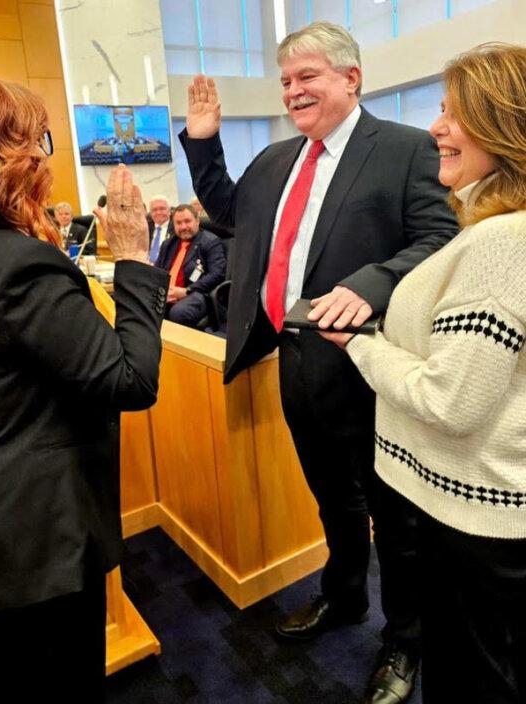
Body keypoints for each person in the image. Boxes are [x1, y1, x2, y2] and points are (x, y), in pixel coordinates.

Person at [180, 21, 457, 703]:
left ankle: (405, 639)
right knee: (331, 499)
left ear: (350, 78)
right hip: (295, 363)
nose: (293, 90)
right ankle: (345, 598)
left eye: (308, 77)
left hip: (370, 366)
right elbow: (228, 211)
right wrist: (205, 142)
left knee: (396, 521)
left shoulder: (404, 150)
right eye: (286, 81)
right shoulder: (277, 159)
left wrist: (368, 286)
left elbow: (440, 237)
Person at [0, 73, 169, 704]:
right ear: (6, 155)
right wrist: (137, 259)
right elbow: (130, 377)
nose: (43, 155)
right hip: (31, 553)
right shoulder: (15, 263)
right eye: (36, 140)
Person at [318, 42, 526, 704]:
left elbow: (451, 401)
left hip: (477, 525)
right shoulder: (489, 231)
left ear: (504, 124)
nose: (435, 126)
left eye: (453, 112)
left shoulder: (499, 244)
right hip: (462, 510)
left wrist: (360, 342)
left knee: (472, 679)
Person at [155, 203, 226, 328]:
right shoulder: (168, 244)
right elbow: (157, 271)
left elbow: (217, 274)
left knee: (177, 313)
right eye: (178, 223)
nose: (183, 227)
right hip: (168, 293)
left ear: (197, 221)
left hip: (196, 293)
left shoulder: (210, 242)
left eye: (187, 221)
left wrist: (187, 291)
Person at [148, 194, 174, 264]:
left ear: (169, 210)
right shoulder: (146, 229)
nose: (158, 212)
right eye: (154, 210)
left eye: (162, 209)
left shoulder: (176, 229)